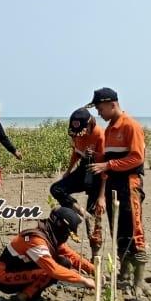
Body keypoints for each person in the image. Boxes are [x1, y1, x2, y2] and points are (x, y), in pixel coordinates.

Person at [87, 88, 149, 300]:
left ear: (112, 104)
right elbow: (105, 164)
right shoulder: (109, 129)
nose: (98, 113)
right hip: (113, 183)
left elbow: (137, 158)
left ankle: (139, 282)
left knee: (134, 229)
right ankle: (124, 273)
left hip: (129, 183)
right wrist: (102, 190)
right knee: (118, 231)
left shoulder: (130, 126)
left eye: (100, 108)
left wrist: (108, 164)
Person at [0, 206, 95, 301]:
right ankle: (24, 296)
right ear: (60, 226)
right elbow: (53, 270)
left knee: (64, 262)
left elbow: (72, 256)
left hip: (19, 269)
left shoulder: (49, 236)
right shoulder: (36, 240)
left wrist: (95, 270)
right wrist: (83, 280)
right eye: (67, 233)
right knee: (52, 270)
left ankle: (29, 294)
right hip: (4, 278)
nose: (67, 237)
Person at [50, 107, 105, 257]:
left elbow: (106, 164)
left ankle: (95, 256)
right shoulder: (76, 134)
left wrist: (102, 195)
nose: (81, 134)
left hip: (98, 173)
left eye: (83, 130)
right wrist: (68, 171)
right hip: (83, 170)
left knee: (95, 218)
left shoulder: (99, 134)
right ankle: (82, 212)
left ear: (90, 123)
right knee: (56, 189)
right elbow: (76, 152)